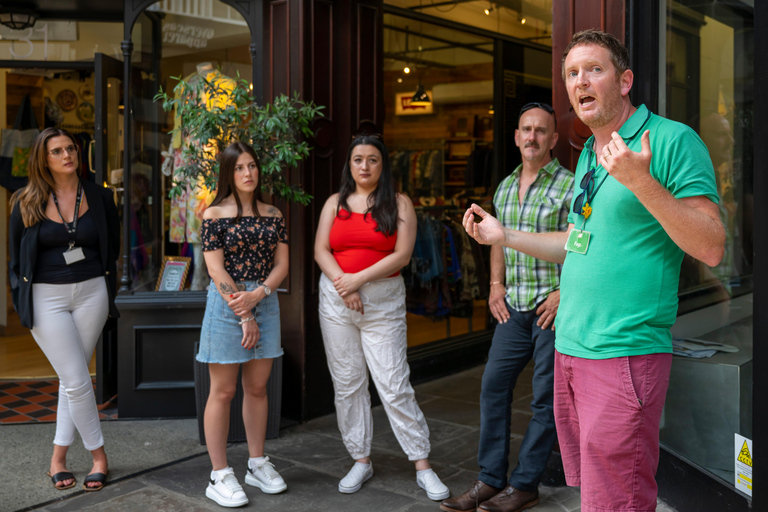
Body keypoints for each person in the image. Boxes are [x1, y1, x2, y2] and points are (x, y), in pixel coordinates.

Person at [461, 30, 725, 512]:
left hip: (622, 353)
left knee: (619, 499)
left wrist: (641, 181)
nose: (580, 81)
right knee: (600, 494)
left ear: (624, 81)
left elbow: (711, 246)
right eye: (571, 74)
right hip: (571, 350)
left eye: (594, 69)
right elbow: (575, 243)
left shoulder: (671, 140)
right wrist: (504, 236)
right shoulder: (588, 153)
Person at [442, 103, 573, 512]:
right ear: (516, 136)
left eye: (541, 131)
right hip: (514, 308)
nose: (532, 137)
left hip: (551, 308)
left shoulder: (570, 186)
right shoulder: (504, 187)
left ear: (553, 139)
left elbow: (580, 244)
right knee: (493, 387)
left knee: (545, 399)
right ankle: (490, 479)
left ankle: (525, 485)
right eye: (526, 129)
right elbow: (495, 239)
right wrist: (495, 284)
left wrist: (566, 291)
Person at [314, 134, 450, 501]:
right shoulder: (334, 203)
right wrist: (345, 286)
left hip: (382, 302)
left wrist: (357, 280)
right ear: (349, 164)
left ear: (383, 165)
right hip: (337, 300)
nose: (364, 166)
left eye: (372, 159)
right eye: (358, 159)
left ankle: (422, 465)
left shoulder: (399, 203)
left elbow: (402, 255)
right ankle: (360, 459)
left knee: (393, 383)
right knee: (348, 382)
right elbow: (321, 250)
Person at [9, 127, 120, 492]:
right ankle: (99, 456)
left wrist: (106, 287)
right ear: (43, 159)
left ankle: (57, 459)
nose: (67, 155)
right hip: (46, 297)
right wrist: (20, 300)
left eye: (70, 148)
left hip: (92, 293)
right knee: (76, 379)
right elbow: (15, 260)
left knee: (71, 381)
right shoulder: (25, 200)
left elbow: (112, 247)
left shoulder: (100, 197)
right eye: (56, 151)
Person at [197, 142, 289, 508]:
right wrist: (245, 311)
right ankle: (219, 474)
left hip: (265, 301)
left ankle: (256, 463)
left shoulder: (273, 213)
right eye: (239, 168)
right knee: (223, 391)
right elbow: (215, 268)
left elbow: (282, 265)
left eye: (252, 166)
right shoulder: (214, 214)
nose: (248, 173)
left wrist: (260, 294)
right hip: (227, 305)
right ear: (228, 173)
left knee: (258, 388)